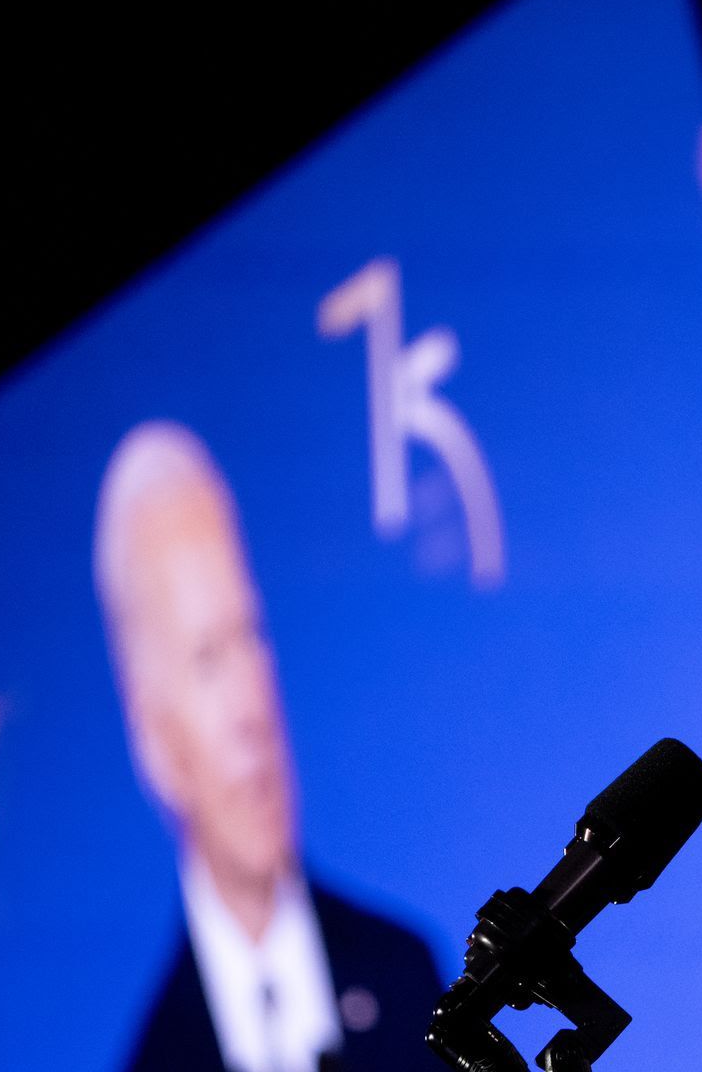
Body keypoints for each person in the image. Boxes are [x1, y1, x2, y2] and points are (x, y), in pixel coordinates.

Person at [94, 420, 448, 1072]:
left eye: (249, 635)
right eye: (206, 660)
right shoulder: (156, 1060)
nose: (248, 710)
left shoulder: (406, 977)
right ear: (153, 739)